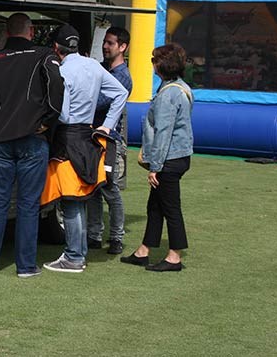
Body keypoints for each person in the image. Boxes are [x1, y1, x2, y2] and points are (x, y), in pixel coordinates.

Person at [0, 13, 64, 278]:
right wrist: (48, 121)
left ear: (6, 32)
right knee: (27, 205)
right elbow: (58, 90)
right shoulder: (44, 56)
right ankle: (25, 267)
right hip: (32, 140)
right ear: (31, 30)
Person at [43, 24, 128, 274]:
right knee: (80, 198)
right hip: (89, 137)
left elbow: (65, 113)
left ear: (56, 48)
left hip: (68, 138)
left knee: (71, 201)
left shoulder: (62, 70)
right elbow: (121, 93)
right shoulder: (93, 65)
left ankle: (74, 256)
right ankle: (76, 253)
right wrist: (107, 126)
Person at [121, 43, 193, 272]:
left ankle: (174, 257)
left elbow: (164, 132)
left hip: (169, 159)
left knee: (171, 208)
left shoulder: (168, 94)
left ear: (161, 65)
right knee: (155, 206)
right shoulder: (181, 88)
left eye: (154, 60)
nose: (152, 63)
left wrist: (156, 167)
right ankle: (144, 250)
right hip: (179, 156)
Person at [87, 26, 133, 255]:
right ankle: (94, 235)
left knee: (109, 188)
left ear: (123, 47)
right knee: (94, 188)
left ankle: (116, 237)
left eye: (111, 43)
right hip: (95, 136)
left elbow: (100, 102)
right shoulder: (103, 69)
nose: (105, 46)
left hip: (110, 139)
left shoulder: (122, 76)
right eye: (104, 42)